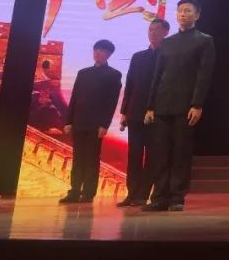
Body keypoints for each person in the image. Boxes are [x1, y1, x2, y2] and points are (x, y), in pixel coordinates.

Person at [142, 0, 216, 212]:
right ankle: (158, 197)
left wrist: (197, 104)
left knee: (180, 153)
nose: (183, 14)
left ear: (197, 15)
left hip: (186, 106)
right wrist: (150, 106)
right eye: (180, 10)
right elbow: (157, 76)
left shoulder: (204, 41)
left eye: (188, 10)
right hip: (162, 104)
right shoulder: (167, 42)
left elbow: (204, 75)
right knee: (160, 153)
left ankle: (176, 197)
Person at [59, 39, 122, 204]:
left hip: (96, 124)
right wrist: (68, 121)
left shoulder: (113, 75)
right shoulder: (83, 73)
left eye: (101, 50)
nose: (97, 53)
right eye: (95, 50)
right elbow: (74, 98)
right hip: (79, 121)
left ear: (109, 54)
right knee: (78, 158)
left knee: (92, 159)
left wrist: (104, 125)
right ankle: (74, 191)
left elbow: (111, 102)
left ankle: (88, 193)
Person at [117, 18, 170, 207]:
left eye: (157, 29)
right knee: (134, 155)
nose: (153, 33)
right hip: (135, 113)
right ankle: (132, 194)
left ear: (166, 32)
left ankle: (143, 194)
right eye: (150, 29)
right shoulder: (138, 56)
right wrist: (124, 112)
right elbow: (130, 84)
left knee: (153, 156)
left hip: (158, 114)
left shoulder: (169, 56)